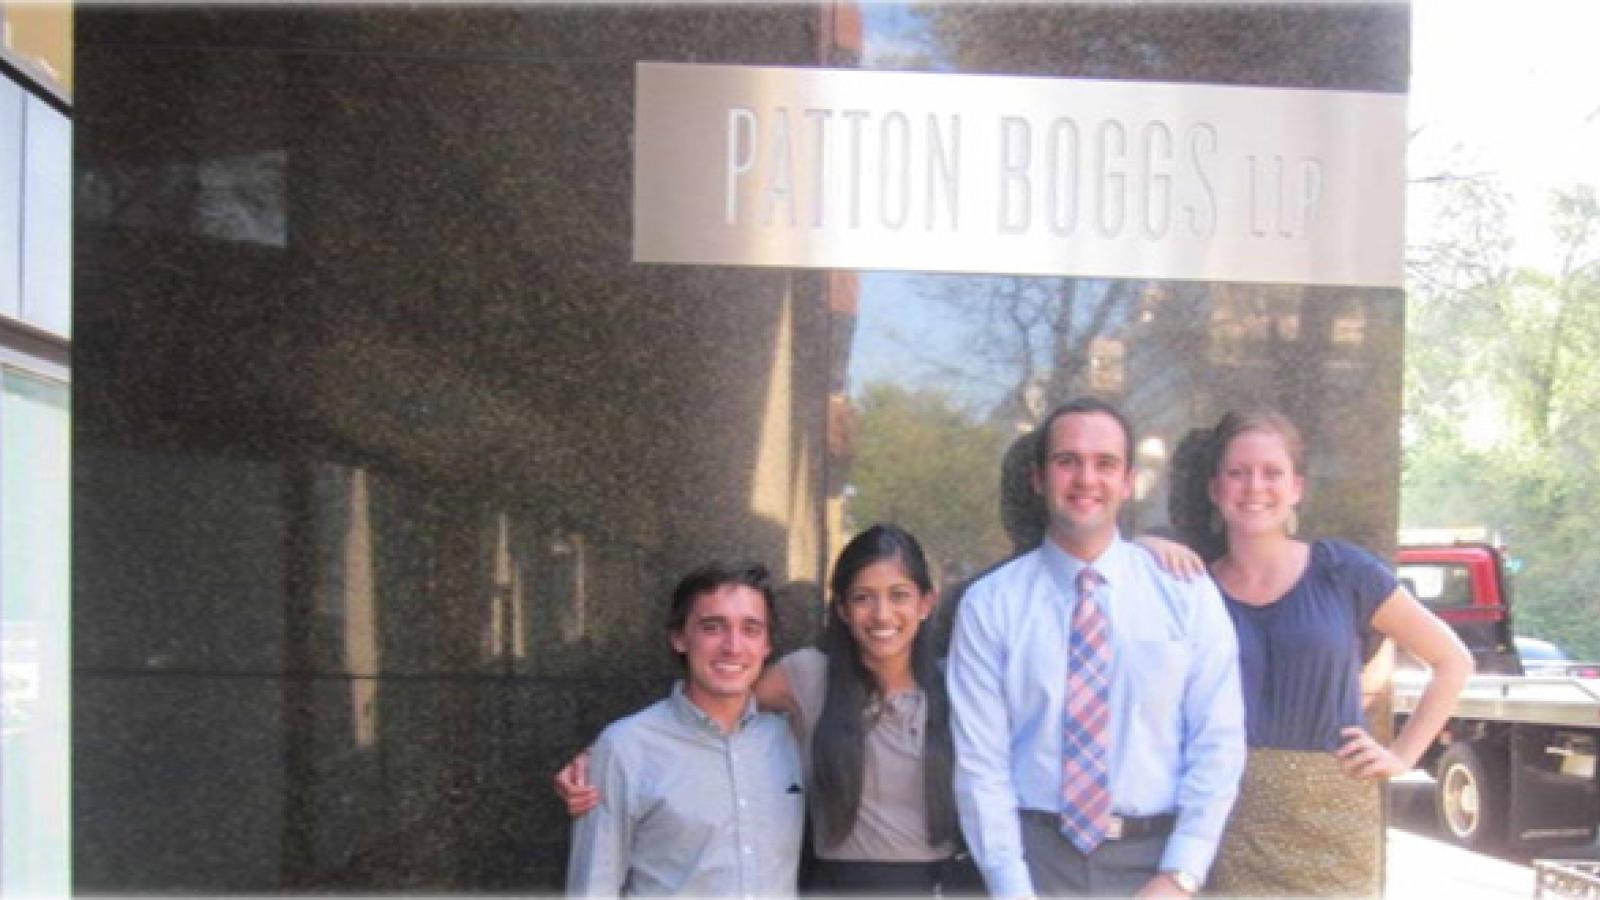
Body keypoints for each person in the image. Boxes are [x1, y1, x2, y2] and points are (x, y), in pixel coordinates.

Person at [563, 525, 976, 895]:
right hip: (836, 884)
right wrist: (604, 758)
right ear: (843, 610)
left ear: (926, 603)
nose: (882, 614)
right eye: (864, 597)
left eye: (899, 595)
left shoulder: (960, 683)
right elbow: (719, 694)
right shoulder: (809, 676)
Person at [947, 397, 1246, 899]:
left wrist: (1181, 874)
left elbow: (1218, 741)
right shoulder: (989, 606)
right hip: (1034, 863)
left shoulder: (1186, 595)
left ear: (1128, 482)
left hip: (1158, 863)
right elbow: (981, 765)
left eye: (1105, 464)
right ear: (1039, 479)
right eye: (1068, 462)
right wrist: (1011, 887)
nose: (1087, 479)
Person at [1171, 408, 1472, 896]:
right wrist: (1147, 545)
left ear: (1297, 488)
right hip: (1227, 819)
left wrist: (1401, 757)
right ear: (1214, 488)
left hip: (1333, 822)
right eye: (1237, 472)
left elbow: (1453, 661)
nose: (1255, 487)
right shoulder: (1193, 588)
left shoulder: (1342, 572)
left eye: (1273, 473)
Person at [565, 561, 804, 897]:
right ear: (679, 637)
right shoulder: (625, 748)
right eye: (713, 627)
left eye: (751, 629)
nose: (733, 646)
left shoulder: (789, 740)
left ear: (766, 646)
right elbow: (593, 886)